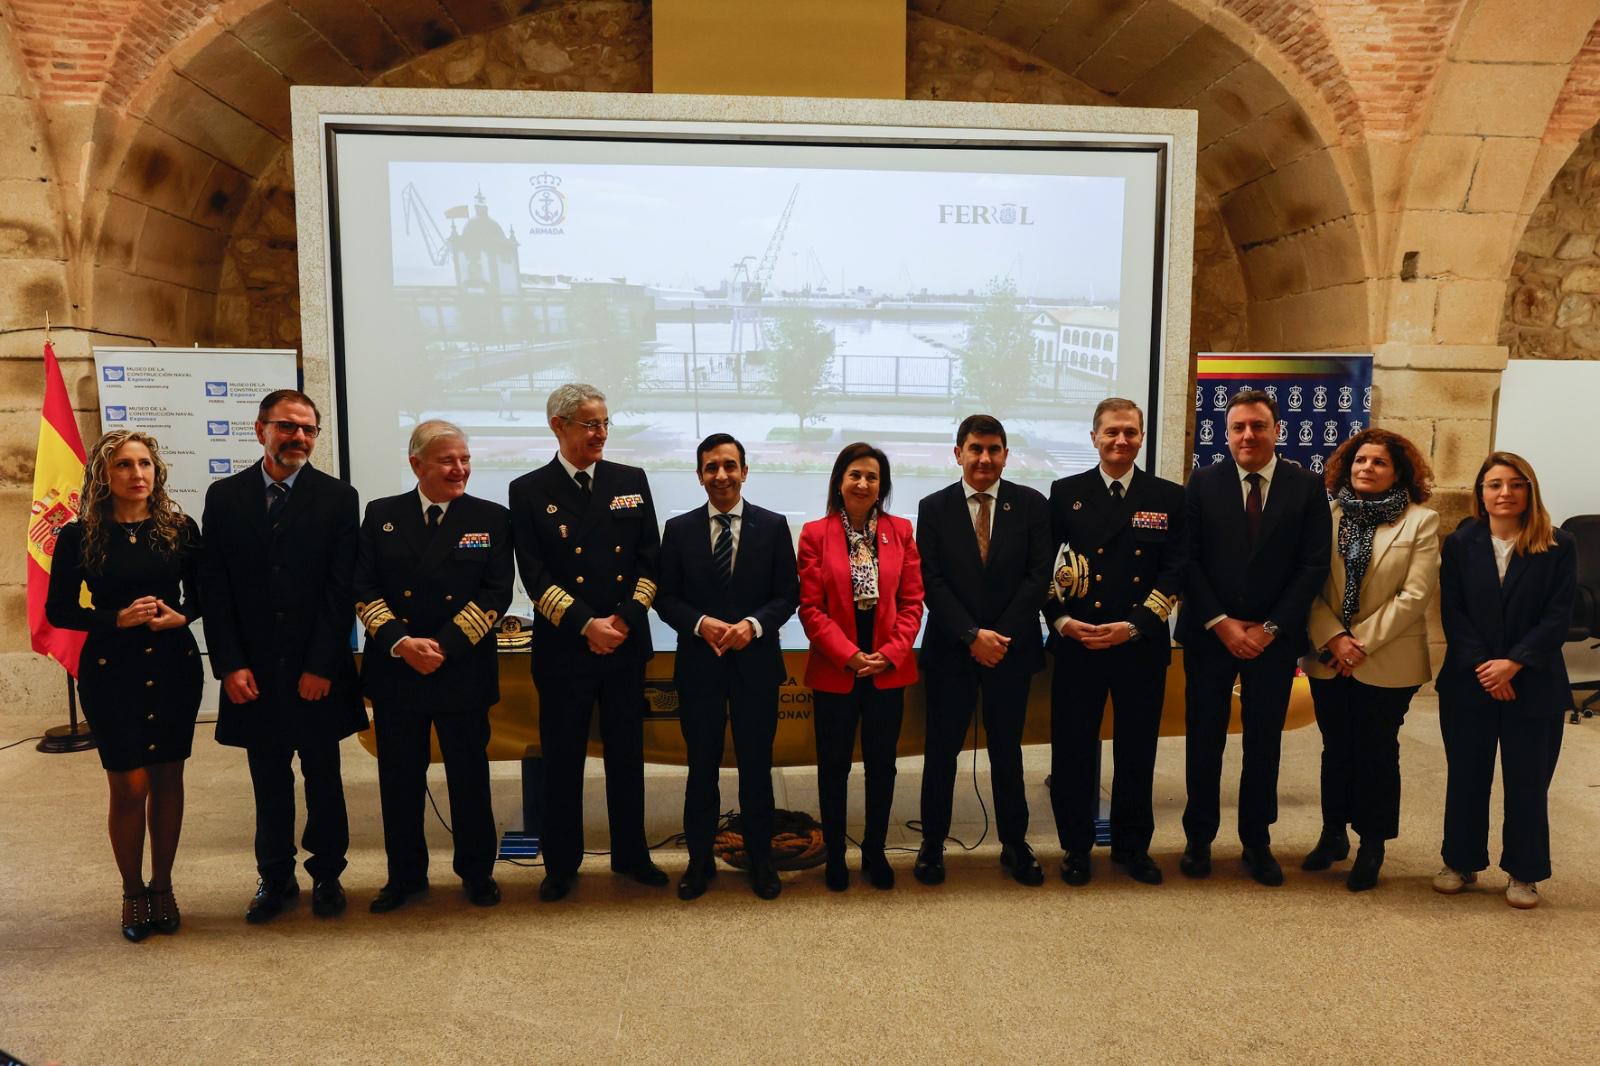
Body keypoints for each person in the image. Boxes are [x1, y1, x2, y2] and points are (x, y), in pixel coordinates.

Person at [201, 389, 366, 923]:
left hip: (317, 670)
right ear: (260, 430)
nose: (298, 438)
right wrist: (228, 663)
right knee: (267, 780)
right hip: (252, 671)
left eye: (308, 429)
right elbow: (215, 588)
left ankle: (327, 876)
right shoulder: (224, 497)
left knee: (324, 777)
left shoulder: (340, 498)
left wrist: (322, 664)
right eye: (287, 427)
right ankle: (274, 879)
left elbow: (341, 591)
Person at [508, 383, 666, 901]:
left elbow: (649, 560)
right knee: (562, 759)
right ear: (559, 426)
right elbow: (534, 575)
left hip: (623, 643)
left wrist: (620, 621)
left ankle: (631, 855)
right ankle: (560, 863)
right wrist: (586, 625)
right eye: (589, 424)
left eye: (603, 423)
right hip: (564, 648)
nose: (599, 433)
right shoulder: (528, 489)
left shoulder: (629, 479)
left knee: (626, 755)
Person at [47, 431, 203, 941]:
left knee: (168, 779)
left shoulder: (180, 528)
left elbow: (204, 596)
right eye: (123, 466)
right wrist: (115, 618)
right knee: (129, 784)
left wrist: (182, 616)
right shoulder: (81, 533)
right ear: (103, 475)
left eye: (145, 464)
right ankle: (132, 891)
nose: (137, 474)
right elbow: (59, 610)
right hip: (112, 669)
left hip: (174, 667)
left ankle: (163, 886)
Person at [354, 421, 513, 912]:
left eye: (465, 459)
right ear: (416, 464)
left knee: (469, 778)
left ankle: (477, 872)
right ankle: (404, 876)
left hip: (460, 667)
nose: (460, 469)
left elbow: (496, 593)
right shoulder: (382, 515)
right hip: (398, 668)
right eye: (448, 460)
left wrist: (441, 646)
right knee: (399, 779)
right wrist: (402, 642)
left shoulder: (491, 517)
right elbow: (363, 587)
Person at [1176, 389, 1331, 886]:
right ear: (1226, 434)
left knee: (1264, 743)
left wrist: (1268, 629)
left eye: (1258, 426)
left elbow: (1312, 566)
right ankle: (1198, 839)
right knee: (1204, 740)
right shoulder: (1203, 482)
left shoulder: (1306, 487)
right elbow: (1188, 561)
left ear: (1276, 430)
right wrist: (1221, 623)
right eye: (1238, 427)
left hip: (1273, 639)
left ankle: (1256, 841)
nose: (1248, 435)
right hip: (1210, 637)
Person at [1044, 398, 1186, 887]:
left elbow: (1175, 572)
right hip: (1078, 643)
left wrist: (1135, 625)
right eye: (1111, 433)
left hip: (1138, 644)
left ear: (1142, 437)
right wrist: (1061, 621)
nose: (1121, 440)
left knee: (1137, 750)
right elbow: (1045, 567)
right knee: (1073, 751)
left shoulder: (1167, 495)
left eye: (1130, 432)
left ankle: (1132, 847)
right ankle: (1076, 848)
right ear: (1094, 438)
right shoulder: (1065, 494)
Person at [655, 433, 799, 901]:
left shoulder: (773, 526)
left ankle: (761, 861)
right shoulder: (677, 530)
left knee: (757, 770)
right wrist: (700, 623)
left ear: (745, 471)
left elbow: (788, 595)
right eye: (712, 467)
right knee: (702, 771)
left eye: (730, 466)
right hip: (700, 669)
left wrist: (752, 625)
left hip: (756, 668)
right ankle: (700, 863)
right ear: (699, 475)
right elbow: (665, 597)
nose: (721, 475)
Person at [913, 414, 1051, 887]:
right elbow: (930, 581)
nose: (985, 458)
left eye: (994, 449)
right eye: (975, 449)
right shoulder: (933, 507)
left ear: (1006, 455)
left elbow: (1038, 578)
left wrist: (998, 637)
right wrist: (973, 635)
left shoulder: (1031, 505)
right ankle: (932, 844)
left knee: (1007, 752)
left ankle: (1015, 844)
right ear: (958, 454)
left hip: (1010, 650)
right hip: (952, 650)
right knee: (941, 753)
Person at [1300, 429, 1440, 892]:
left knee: (1378, 750)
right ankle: (1332, 834)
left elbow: (1415, 595)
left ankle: (1372, 845)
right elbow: (1306, 583)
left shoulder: (1421, 521)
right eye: (1360, 460)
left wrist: (1357, 643)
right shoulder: (1324, 515)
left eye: (1379, 462)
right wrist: (1333, 638)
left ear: (1398, 471)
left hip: (1387, 659)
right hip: (1327, 653)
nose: (1367, 468)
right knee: (1335, 746)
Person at [1435, 452, 1576, 909]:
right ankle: (1460, 861)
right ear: (1481, 493)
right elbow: (1452, 613)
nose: (1504, 493)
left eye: (1516, 484)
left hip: (1533, 683)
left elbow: (1558, 616)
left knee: (1527, 781)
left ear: (1529, 491)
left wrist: (1513, 663)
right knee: (1467, 776)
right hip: (1469, 681)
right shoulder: (1461, 543)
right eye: (1494, 484)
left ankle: (1524, 872)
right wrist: (1487, 667)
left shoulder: (1558, 544)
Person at [797, 443, 924, 891]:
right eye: (855, 475)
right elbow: (811, 609)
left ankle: (875, 850)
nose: (863, 484)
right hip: (838, 668)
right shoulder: (815, 534)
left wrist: (890, 653)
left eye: (872, 477)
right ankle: (835, 854)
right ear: (839, 481)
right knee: (833, 766)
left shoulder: (901, 531)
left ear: (882, 486)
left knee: (881, 765)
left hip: (887, 668)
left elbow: (912, 603)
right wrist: (848, 654)